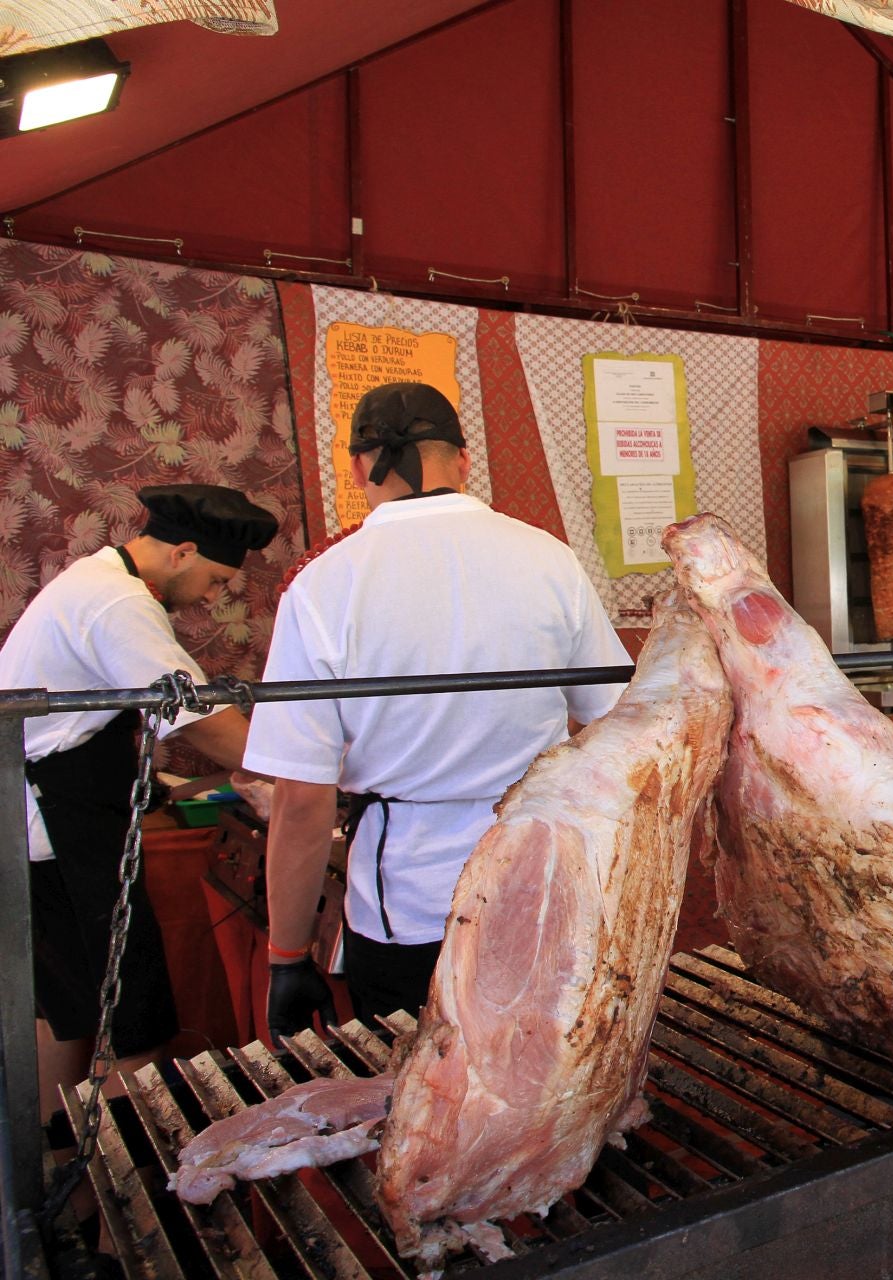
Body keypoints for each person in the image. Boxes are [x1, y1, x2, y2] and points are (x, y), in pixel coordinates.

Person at [245, 382, 627, 1040]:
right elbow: (618, 724)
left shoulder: (323, 586)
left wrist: (286, 956)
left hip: (409, 912)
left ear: (361, 468)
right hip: (540, 891)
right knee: (547, 1086)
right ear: (464, 460)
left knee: (427, 1105)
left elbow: (302, 799)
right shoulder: (548, 560)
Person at [0, 484, 278, 1115]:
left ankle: (60, 1169)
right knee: (132, 1018)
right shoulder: (117, 603)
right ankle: (124, 1181)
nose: (212, 598)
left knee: (68, 1012)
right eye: (214, 580)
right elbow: (198, 722)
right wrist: (299, 773)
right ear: (182, 552)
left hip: (41, 826)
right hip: (58, 835)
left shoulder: (94, 580)